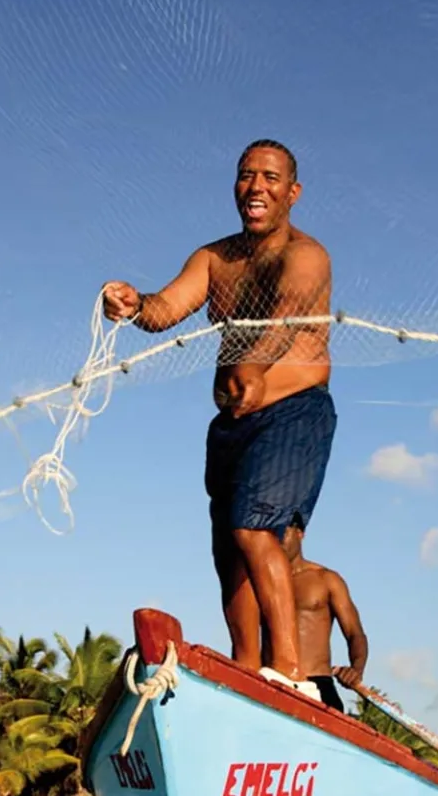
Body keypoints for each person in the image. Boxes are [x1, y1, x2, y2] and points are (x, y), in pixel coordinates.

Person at [101, 138, 335, 701]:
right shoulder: (214, 258)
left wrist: (252, 367)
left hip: (293, 414)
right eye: (246, 175)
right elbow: (166, 310)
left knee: (255, 529)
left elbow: (283, 322)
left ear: (292, 193)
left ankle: (291, 674)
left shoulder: (308, 255)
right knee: (228, 551)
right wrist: (133, 304)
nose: (257, 186)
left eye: (271, 178)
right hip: (230, 426)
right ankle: (248, 669)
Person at [264, 527, 367, 713]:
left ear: (299, 533)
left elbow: (355, 633)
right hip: (271, 680)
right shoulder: (263, 580)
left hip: (316, 684)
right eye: (274, 534)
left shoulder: (326, 579)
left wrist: (356, 670)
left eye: (283, 533)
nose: (278, 540)